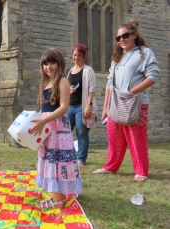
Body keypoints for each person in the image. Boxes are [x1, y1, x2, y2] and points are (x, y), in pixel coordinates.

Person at [92, 20, 160, 182]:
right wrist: (105, 108)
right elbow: (109, 83)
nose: (121, 39)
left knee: (137, 138)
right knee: (114, 137)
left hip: (135, 102)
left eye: (125, 35)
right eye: (118, 37)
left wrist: (132, 91)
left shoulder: (144, 53)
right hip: (115, 102)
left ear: (134, 35)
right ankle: (110, 167)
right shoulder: (117, 58)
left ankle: (141, 172)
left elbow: (153, 76)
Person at [30, 48, 82, 209]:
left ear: (59, 64)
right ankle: (56, 196)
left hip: (58, 128)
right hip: (46, 128)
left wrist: (45, 121)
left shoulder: (62, 81)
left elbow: (64, 108)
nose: (49, 67)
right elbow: (44, 107)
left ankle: (58, 200)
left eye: (52, 63)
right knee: (50, 161)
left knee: (58, 162)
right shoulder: (46, 83)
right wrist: (36, 120)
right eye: (45, 64)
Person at [66, 44, 97, 166]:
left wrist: (89, 105)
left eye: (79, 55)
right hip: (69, 106)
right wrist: (68, 89)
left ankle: (81, 159)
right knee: (65, 131)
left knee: (81, 133)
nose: (76, 57)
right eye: (74, 55)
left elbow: (92, 89)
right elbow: (64, 87)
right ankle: (67, 155)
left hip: (81, 106)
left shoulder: (88, 70)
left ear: (84, 56)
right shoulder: (68, 71)